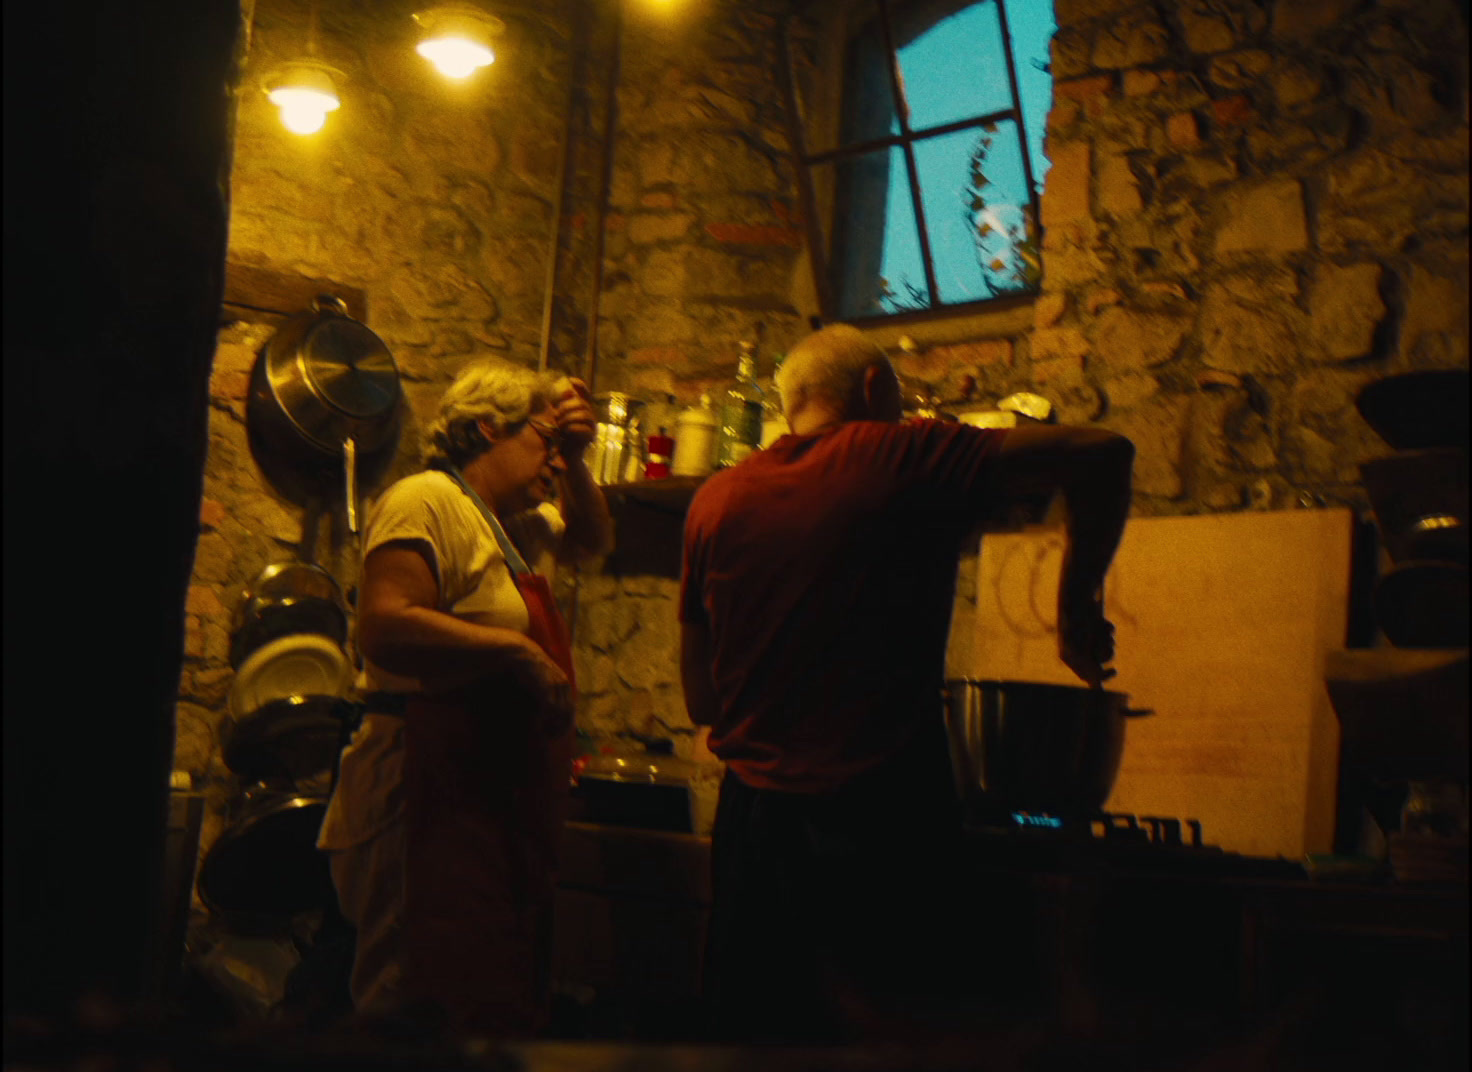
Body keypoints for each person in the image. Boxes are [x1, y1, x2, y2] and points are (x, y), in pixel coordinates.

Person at [679, 324, 1134, 1043]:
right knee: (889, 1038)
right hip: (881, 818)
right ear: (871, 390)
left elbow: (701, 698)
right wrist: (1075, 609)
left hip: (753, 835)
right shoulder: (900, 454)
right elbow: (1104, 452)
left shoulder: (715, 499)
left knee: (750, 1040)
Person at [317, 358, 612, 1036]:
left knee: (479, 1009)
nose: (555, 466)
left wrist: (577, 451)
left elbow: (594, 540)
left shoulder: (520, 525)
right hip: (420, 791)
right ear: (489, 428)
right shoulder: (425, 500)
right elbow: (385, 624)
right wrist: (514, 651)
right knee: (411, 1004)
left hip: (485, 800)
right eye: (544, 443)